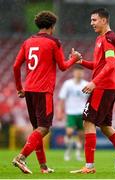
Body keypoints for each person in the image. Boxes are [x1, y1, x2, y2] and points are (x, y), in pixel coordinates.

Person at [70, 8, 115, 174]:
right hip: (109, 86)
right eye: (91, 20)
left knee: (88, 121)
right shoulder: (102, 39)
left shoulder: (108, 39)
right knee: (106, 126)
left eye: (94, 20)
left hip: (104, 87)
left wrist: (94, 83)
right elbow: (100, 65)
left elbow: (110, 65)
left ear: (104, 20)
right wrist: (81, 61)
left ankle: (89, 166)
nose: (91, 23)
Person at [12, 11, 81, 174]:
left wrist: (19, 88)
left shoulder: (28, 42)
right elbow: (63, 66)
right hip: (43, 91)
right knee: (44, 128)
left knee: (38, 129)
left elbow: (15, 66)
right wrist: (75, 58)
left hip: (28, 90)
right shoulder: (53, 42)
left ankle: (43, 167)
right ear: (52, 26)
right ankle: (21, 158)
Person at [58, 65, 88, 161]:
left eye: (80, 72)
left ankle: (78, 153)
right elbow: (62, 99)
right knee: (69, 132)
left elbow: (91, 99)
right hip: (71, 112)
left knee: (81, 135)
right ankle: (68, 149)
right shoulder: (68, 84)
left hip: (82, 113)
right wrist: (60, 112)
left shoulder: (86, 84)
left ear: (83, 73)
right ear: (73, 73)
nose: (79, 73)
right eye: (77, 71)